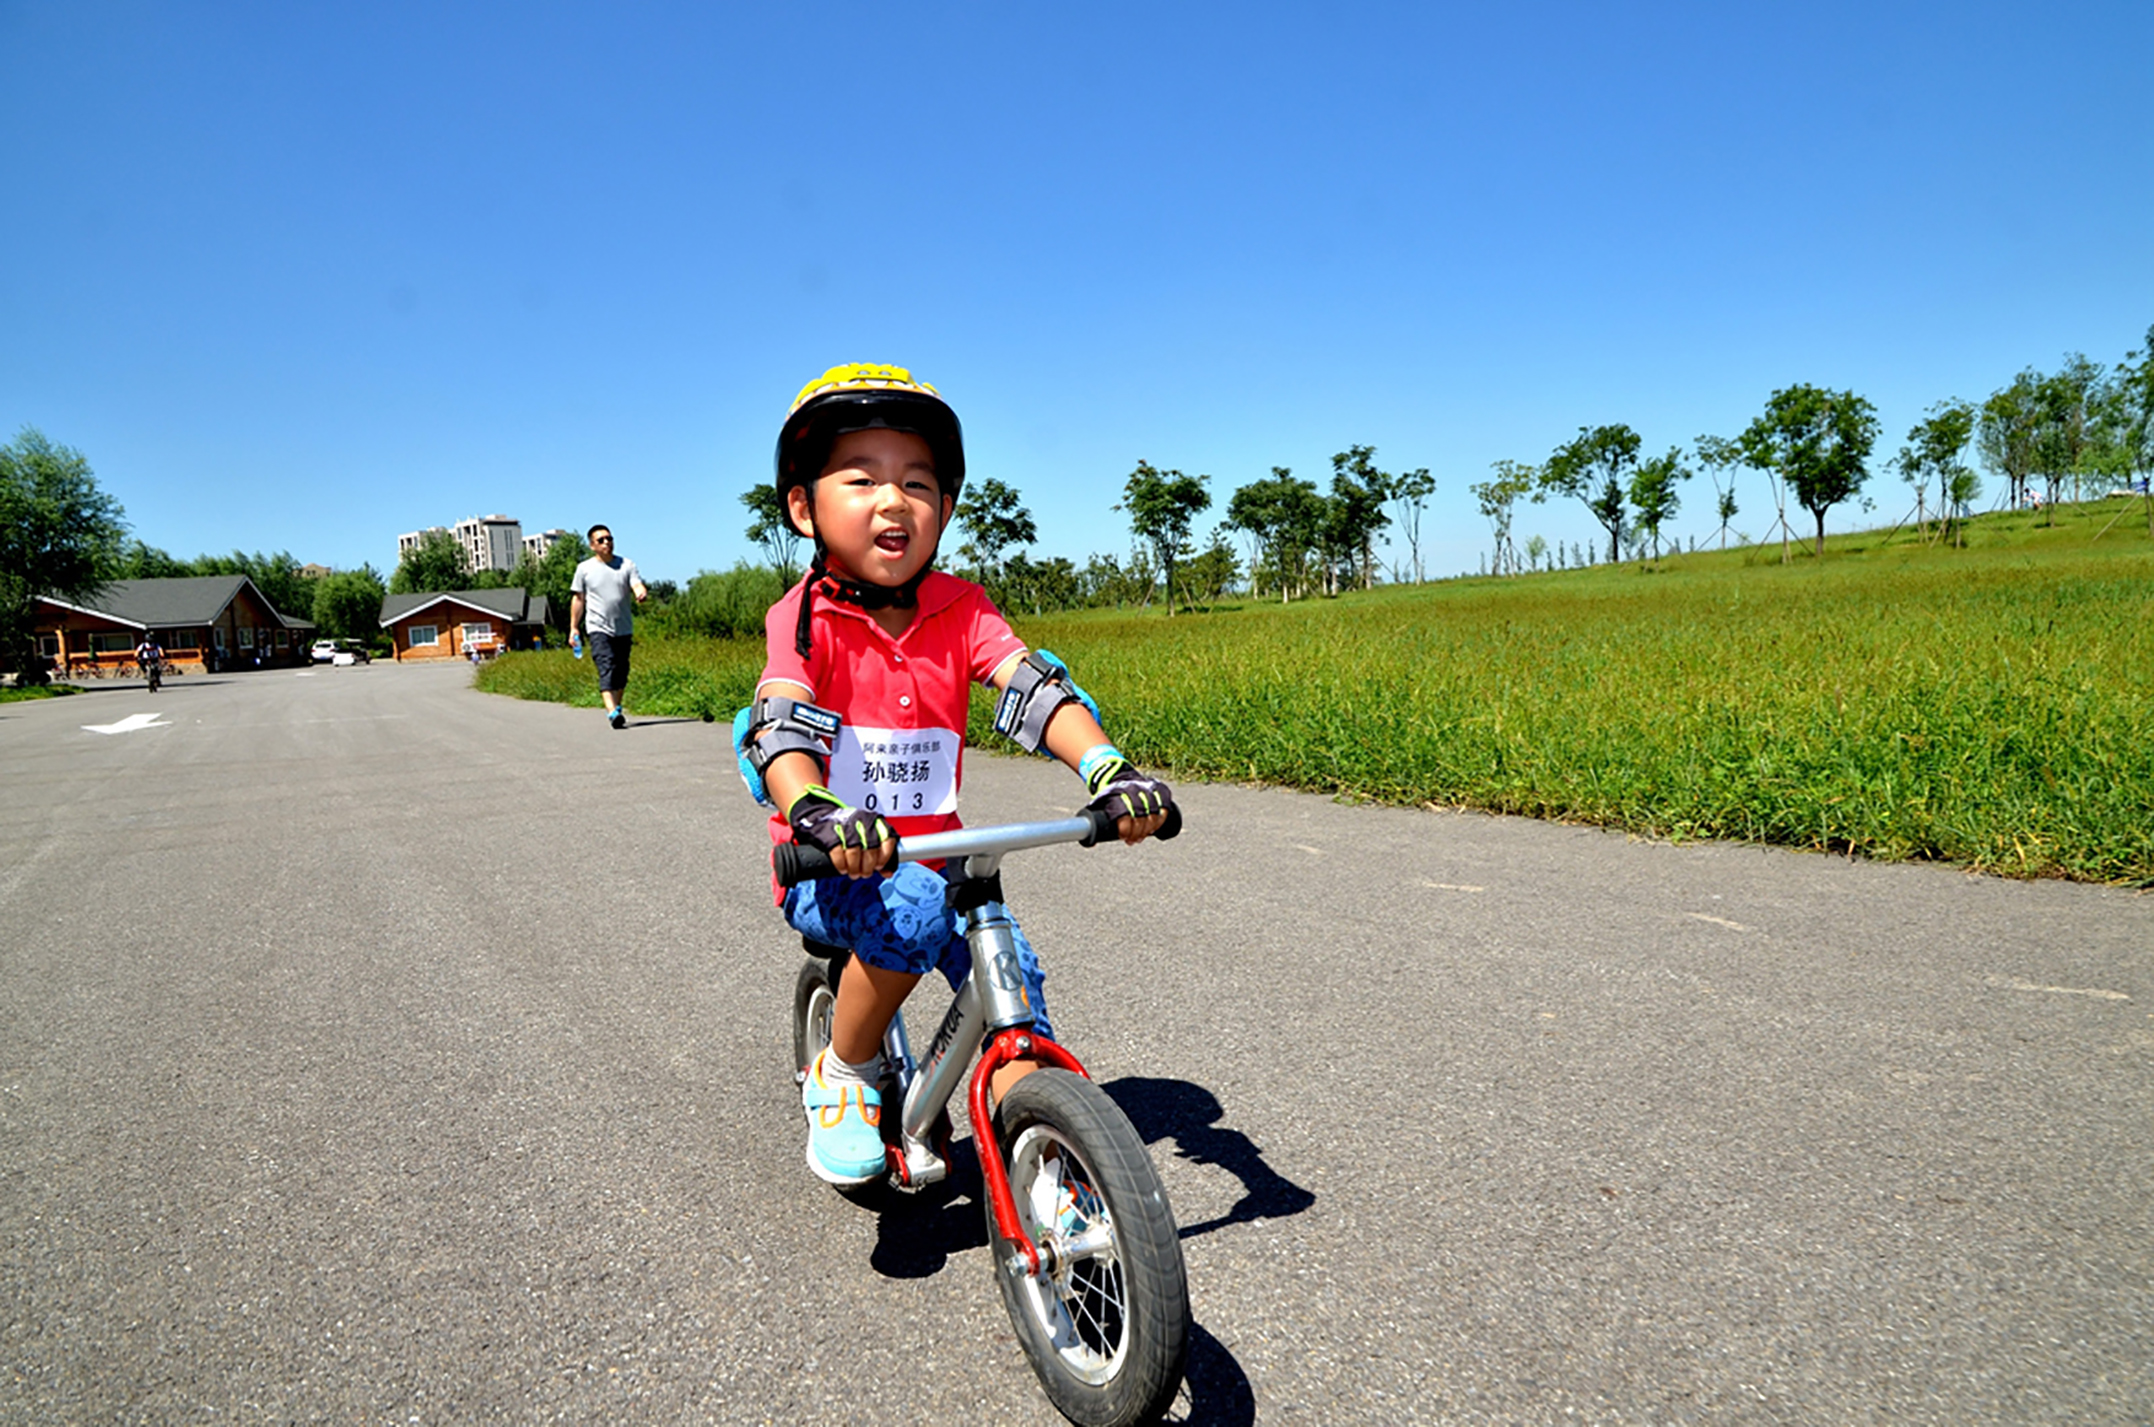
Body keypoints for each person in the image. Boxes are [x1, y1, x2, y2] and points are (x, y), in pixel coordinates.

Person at [738, 363, 1176, 1186]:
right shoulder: (802, 617)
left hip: (942, 856)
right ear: (803, 505)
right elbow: (780, 725)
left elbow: (1031, 688)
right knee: (905, 909)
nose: (894, 499)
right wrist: (814, 809)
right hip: (832, 859)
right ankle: (845, 1068)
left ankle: (1045, 1159)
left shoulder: (962, 608)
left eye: (917, 480)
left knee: (1014, 984)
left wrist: (1107, 768)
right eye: (861, 477)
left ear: (945, 502)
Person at [568, 524, 647, 729]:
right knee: (606, 665)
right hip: (597, 627)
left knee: (621, 671)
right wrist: (573, 627)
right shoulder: (584, 569)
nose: (607, 543)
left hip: (623, 627)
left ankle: (617, 707)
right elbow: (578, 599)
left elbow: (636, 583)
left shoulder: (626, 565)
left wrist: (640, 591)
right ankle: (612, 712)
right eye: (601, 540)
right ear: (592, 545)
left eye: (609, 539)